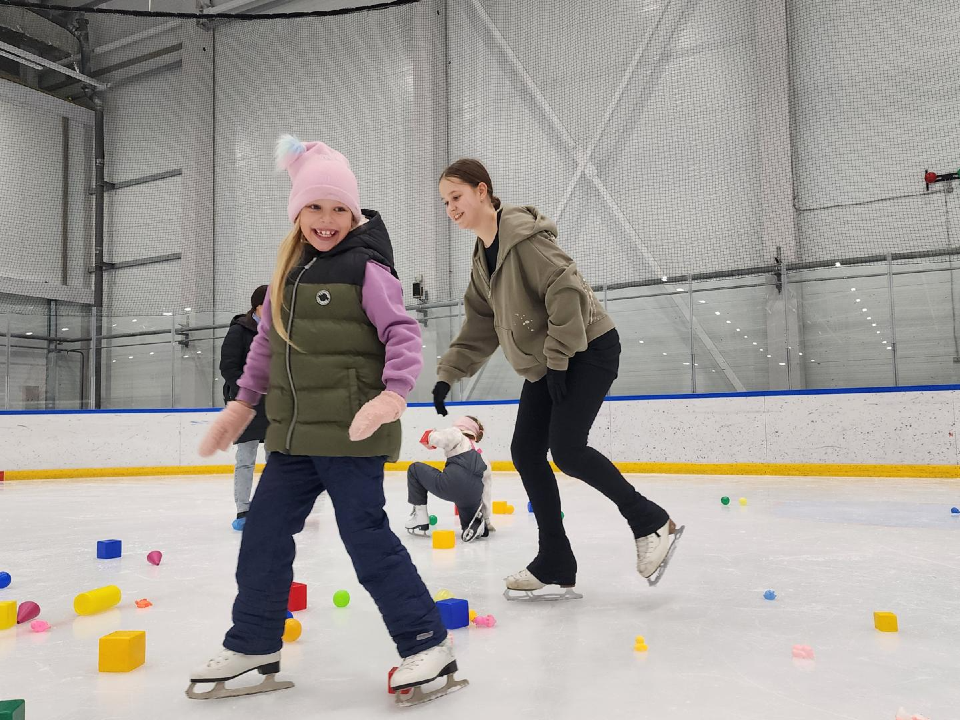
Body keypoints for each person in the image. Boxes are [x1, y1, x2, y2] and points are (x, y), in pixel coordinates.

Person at [187, 136, 467, 706]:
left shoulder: (367, 269)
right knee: (263, 535)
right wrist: (242, 404)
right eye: (315, 207)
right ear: (297, 212)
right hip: (292, 438)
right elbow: (265, 345)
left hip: (352, 433)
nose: (327, 219)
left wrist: (392, 395)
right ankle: (254, 642)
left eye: (340, 208)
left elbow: (403, 334)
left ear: (355, 212)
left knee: (365, 539)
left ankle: (426, 642)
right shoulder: (287, 273)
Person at [434, 159, 683, 601]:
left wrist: (560, 359)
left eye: (456, 197)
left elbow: (567, 291)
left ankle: (650, 521)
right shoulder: (483, 258)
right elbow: (480, 324)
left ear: (481, 191)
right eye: (445, 202)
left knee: (566, 449)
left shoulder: (524, 240)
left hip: (588, 348)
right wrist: (448, 373)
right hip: (552, 361)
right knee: (526, 451)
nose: (450, 208)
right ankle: (555, 559)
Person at [219, 284, 269, 531]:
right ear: (258, 305)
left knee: (277, 458)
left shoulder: (280, 331)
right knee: (246, 458)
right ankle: (244, 509)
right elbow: (228, 368)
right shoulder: (239, 331)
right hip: (245, 403)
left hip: (275, 404)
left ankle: (275, 505)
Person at [405, 415, 494, 542]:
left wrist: (430, 436)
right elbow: (486, 487)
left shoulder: (456, 433)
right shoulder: (482, 454)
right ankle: (477, 525)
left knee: (414, 469)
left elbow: (438, 438)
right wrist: (486, 517)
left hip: (452, 482)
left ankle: (420, 518)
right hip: (473, 495)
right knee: (468, 521)